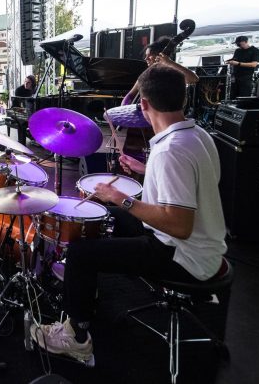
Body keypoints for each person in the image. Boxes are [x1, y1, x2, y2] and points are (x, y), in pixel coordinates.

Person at [31, 65, 227, 365]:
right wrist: (144, 171)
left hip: (184, 257)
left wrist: (122, 199)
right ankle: (101, 286)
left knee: (82, 253)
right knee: (109, 217)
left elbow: (179, 225)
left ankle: (76, 337)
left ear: (144, 104)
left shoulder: (170, 151)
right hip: (208, 245)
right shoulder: (197, 135)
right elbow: (195, 182)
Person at [122, 37, 199, 105]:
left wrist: (169, 62)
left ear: (160, 55)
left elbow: (193, 79)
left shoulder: (172, 73)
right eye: (146, 55)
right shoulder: (145, 75)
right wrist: (124, 109)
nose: (146, 58)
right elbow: (130, 95)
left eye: (149, 55)